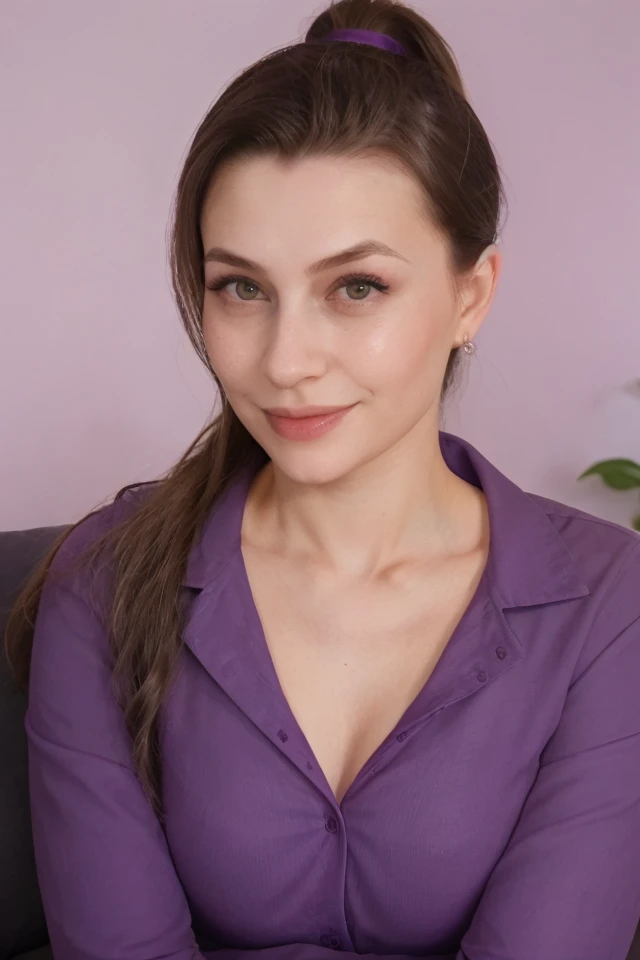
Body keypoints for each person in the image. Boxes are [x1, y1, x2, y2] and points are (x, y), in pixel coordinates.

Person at [5, 1, 640, 958]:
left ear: (472, 296)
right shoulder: (103, 583)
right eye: (241, 287)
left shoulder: (607, 604)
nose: (286, 359)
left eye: (357, 287)